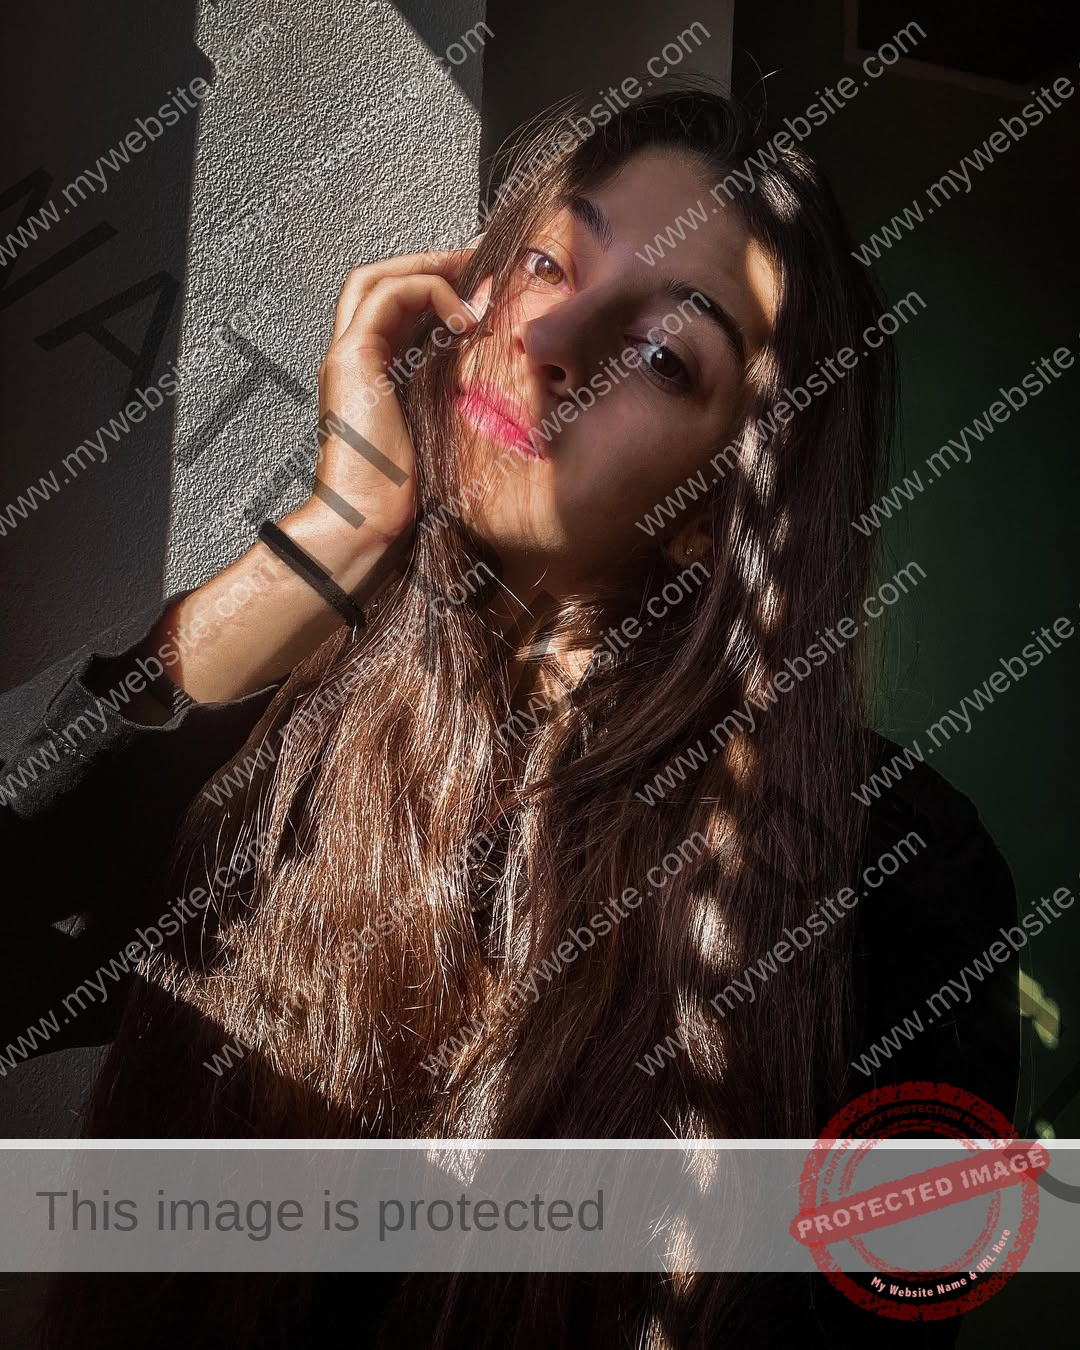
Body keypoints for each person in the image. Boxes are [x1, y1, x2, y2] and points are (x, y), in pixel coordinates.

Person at [2, 81, 1018, 1348]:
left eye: (663, 355)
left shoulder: (893, 875)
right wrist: (328, 539)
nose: (556, 336)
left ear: (720, 507)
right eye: (547, 257)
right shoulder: (286, 716)